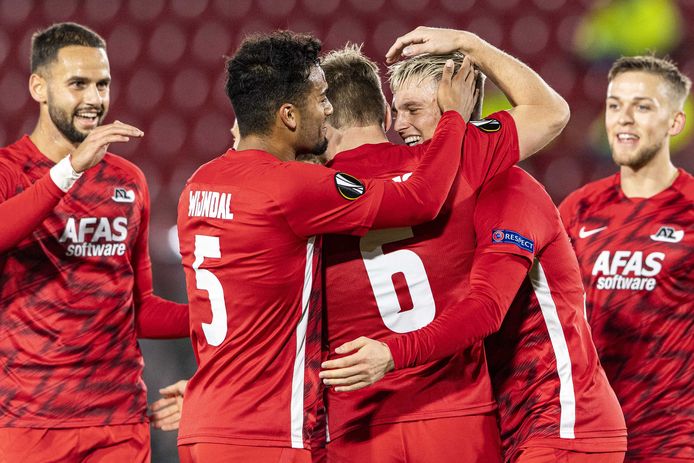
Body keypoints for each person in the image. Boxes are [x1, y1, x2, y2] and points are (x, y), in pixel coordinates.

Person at [320, 27, 626, 463]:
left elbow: (485, 308)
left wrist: (471, 45)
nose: (400, 125)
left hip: (561, 418)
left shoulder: (508, 188)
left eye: (414, 109)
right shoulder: (446, 180)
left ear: (458, 106)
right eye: (397, 110)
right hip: (505, 421)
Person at [175, 30, 475, 463]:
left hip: (202, 422)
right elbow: (422, 199)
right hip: (268, 434)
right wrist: (454, 120)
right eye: (320, 99)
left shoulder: (198, 184)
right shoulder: (294, 187)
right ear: (288, 115)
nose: (330, 109)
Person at [0, 22, 189, 463]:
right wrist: (69, 171)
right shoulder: (9, 171)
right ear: (39, 87)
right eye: (78, 84)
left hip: (118, 424)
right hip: (30, 423)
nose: (94, 99)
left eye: (102, 84)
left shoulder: (128, 181)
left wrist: (218, 317)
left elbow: (139, 308)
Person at [559, 55, 693, 462]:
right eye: (614, 105)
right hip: (591, 437)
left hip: (671, 441)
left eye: (643, 106)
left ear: (675, 123)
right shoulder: (579, 208)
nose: (624, 119)